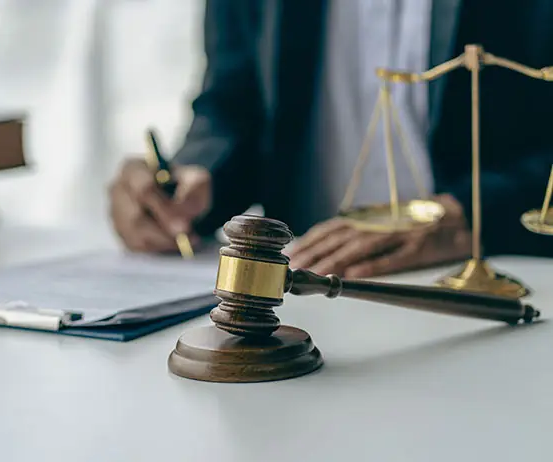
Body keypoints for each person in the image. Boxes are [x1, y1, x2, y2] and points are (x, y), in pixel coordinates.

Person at [108, 0, 553, 278]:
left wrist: (473, 215)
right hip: (307, 290)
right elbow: (233, 102)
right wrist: (190, 181)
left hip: (496, 284)